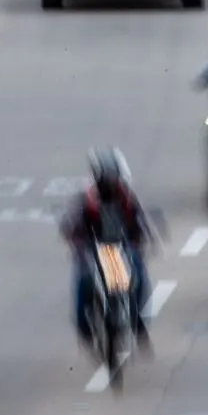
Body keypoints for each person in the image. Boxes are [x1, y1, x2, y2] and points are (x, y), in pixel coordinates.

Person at [61, 147, 156, 352]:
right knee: (83, 281)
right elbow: (71, 224)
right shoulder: (87, 200)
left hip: (120, 248)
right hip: (93, 250)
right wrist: (75, 241)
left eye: (115, 179)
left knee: (139, 276)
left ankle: (137, 321)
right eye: (109, 179)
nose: (113, 184)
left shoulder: (127, 198)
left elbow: (140, 221)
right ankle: (84, 327)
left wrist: (145, 239)